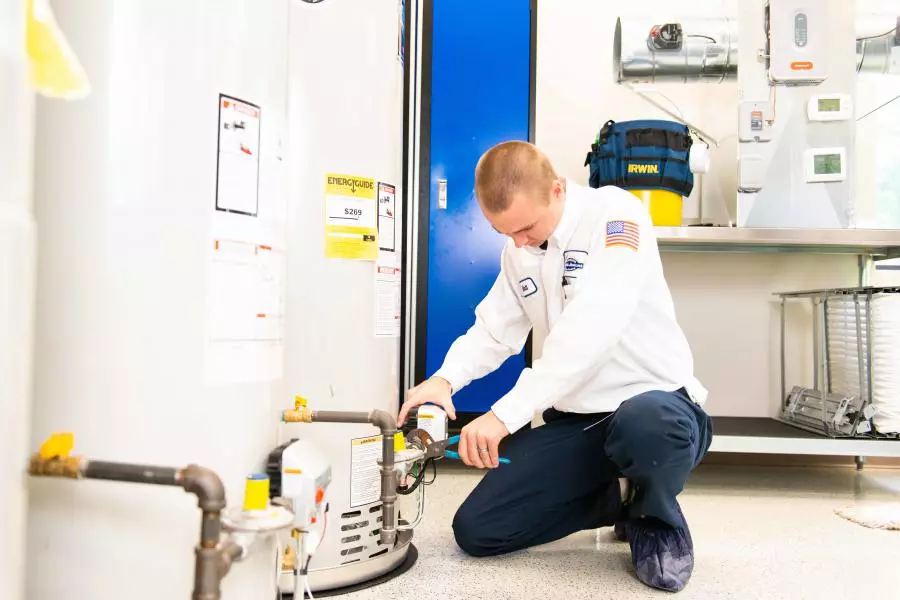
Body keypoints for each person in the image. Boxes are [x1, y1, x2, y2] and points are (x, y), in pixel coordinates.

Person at [397, 141, 713, 593]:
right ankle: (625, 496)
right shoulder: (519, 251)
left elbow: (590, 332)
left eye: (525, 227)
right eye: (503, 233)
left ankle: (656, 520)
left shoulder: (615, 215)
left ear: (558, 189)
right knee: (479, 528)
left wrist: (503, 415)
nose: (519, 241)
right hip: (582, 421)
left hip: (658, 406)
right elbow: (494, 331)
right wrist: (443, 380)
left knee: (645, 426)